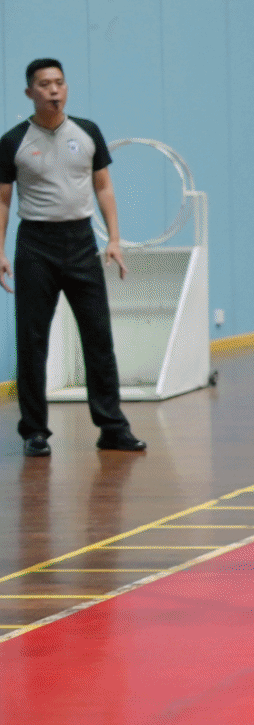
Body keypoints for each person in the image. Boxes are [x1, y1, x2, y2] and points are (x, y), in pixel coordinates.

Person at [1, 59, 143, 457]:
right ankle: (34, 431)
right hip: (35, 245)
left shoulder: (88, 132)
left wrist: (114, 239)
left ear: (66, 88)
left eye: (59, 83)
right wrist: (0, 250)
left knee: (98, 337)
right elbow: (3, 199)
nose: (53, 90)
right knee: (33, 340)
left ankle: (112, 427)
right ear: (30, 92)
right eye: (44, 84)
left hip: (80, 242)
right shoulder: (13, 141)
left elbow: (104, 188)